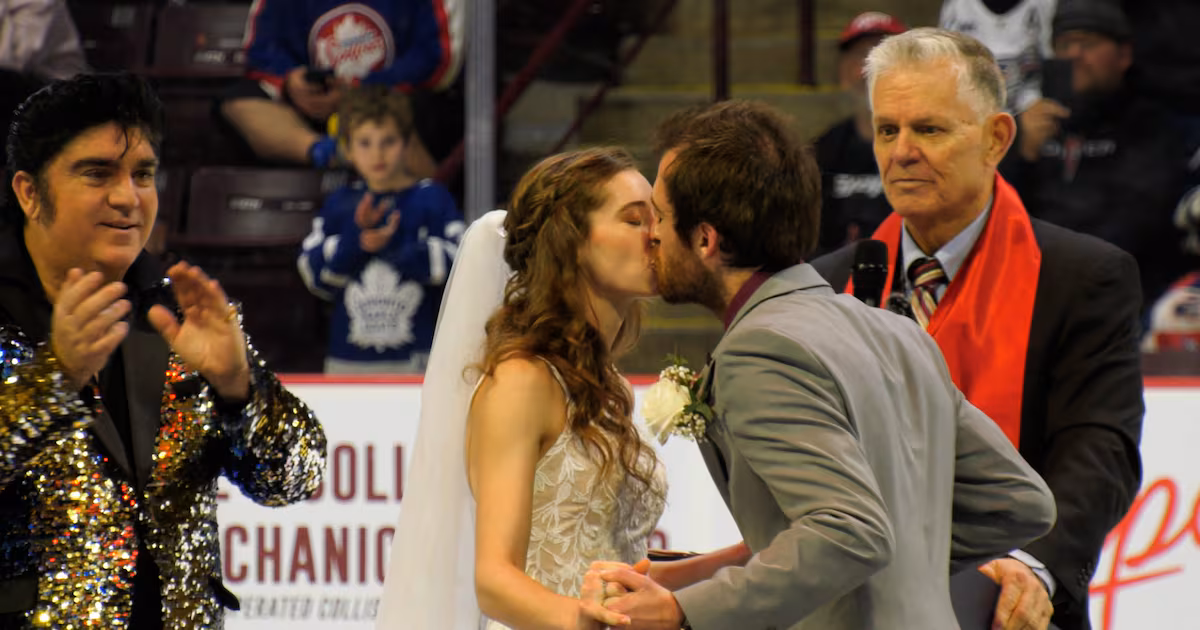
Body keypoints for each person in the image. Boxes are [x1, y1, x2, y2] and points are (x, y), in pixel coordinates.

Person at [590, 99, 1056, 629]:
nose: (651, 234)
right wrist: (900, 570)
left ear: (705, 239)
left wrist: (683, 610)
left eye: (662, 216)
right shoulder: (897, 331)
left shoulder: (759, 350)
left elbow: (848, 531)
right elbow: (1021, 502)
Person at [811, 28, 1144, 630]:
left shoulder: (1083, 277)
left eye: (929, 129)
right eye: (888, 129)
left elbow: (1100, 450)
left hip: (1012, 610)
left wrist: (1029, 564)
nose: (901, 151)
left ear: (997, 138)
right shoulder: (824, 286)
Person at [0, 73, 327, 627]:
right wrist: (55, 382)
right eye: (97, 173)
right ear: (30, 192)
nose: (128, 198)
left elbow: (296, 478)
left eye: (143, 175)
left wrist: (240, 389)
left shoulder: (182, 311)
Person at [375, 147, 750, 629]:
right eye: (635, 220)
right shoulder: (522, 380)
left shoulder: (606, 381)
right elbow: (494, 579)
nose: (656, 235)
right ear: (570, 242)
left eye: (655, 218)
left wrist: (741, 557)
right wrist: (588, 620)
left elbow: (617, 567)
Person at [1001, 0, 1194, 311]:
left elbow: (1139, 221)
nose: (1075, 55)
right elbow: (991, 221)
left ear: (1123, 55)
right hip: (1033, 297)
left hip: (1124, 297)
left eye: (1088, 43)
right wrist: (1018, 155)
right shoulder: (1035, 126)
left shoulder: (1152, 126)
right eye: (1065, 44)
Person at [297, 85, 464, 374]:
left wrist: (395, 245)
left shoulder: (432, 198)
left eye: (388, 141)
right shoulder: (339, 204)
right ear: (347, 148)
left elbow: (460, 268)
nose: (377, 153)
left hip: (421, 363)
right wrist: (357, 242)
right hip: (348, 363)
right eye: (365, 143)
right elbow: (314, 276)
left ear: (408, 143)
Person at [219, 0, 463, 173]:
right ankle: (332, 153)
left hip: (390, 101)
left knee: (420, 107)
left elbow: (439, 59)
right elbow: (260, 52)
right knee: (239, 101)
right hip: (312, 111)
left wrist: (359, 89)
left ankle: (427, 206)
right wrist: (290, 82)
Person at [814, 11, 906, 255]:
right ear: (843, 72)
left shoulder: (934, 148)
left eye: (882, 56)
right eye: (860, 58)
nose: (870, 70)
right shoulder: (822, 152)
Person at [939, 0, 1055, 114]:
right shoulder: (956, 8)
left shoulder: (1045, 5)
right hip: (972, 116)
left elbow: (1059, 71)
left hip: (1032, 113)